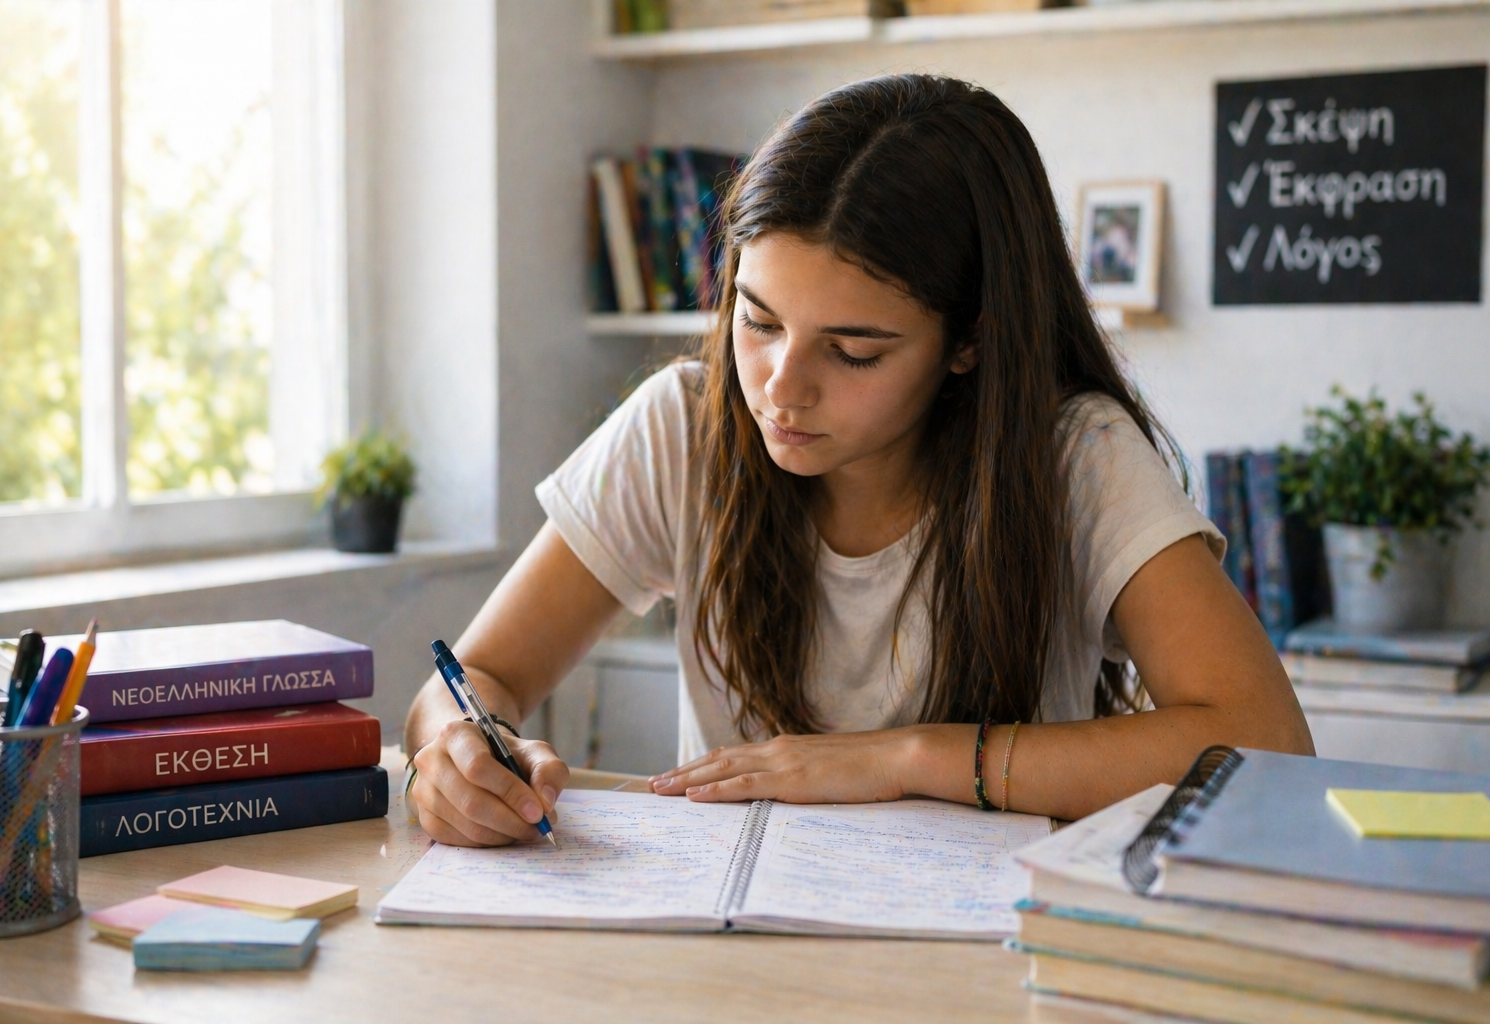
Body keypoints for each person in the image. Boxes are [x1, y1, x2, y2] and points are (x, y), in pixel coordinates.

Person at [403, 74, 1314, 848]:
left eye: (854, 351)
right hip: (724, 957)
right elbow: (477, 678)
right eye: (758, 322)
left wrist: (903, 758)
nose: (780, 388)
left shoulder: (1074, 457)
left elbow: (1263, 741)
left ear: (969, 343)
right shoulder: (682, 424)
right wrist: (453, 749)